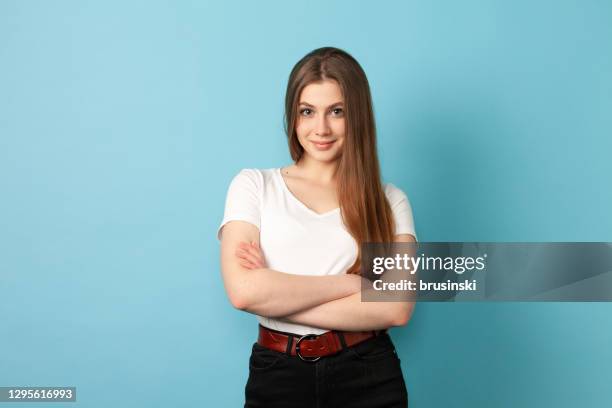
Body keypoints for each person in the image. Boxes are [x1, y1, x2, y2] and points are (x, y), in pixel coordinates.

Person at [217, 46, 417, 408]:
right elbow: (243, 291)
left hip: (368, 374)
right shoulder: (253, 186)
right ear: (293, 117)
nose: (320, 128)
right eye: (307, 111)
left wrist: (275, 297)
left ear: (357, 116)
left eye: (336, 112)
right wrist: (351, 284)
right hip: (277, 373)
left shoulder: (390, 201)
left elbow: (397, 308)